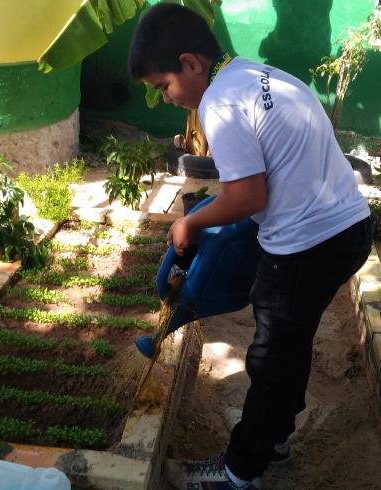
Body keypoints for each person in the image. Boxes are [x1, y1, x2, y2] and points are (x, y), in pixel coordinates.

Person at [128, 4, 372, 489]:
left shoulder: (220, 103)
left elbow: (247, 196)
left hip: (306, 244)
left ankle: (238, 472)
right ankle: (277, 436)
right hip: (348, 228)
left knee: (269, 356)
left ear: (191, 63)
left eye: (164, 86)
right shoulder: (260, 76)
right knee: (290, 341)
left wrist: (191, 225)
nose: (169, 97)